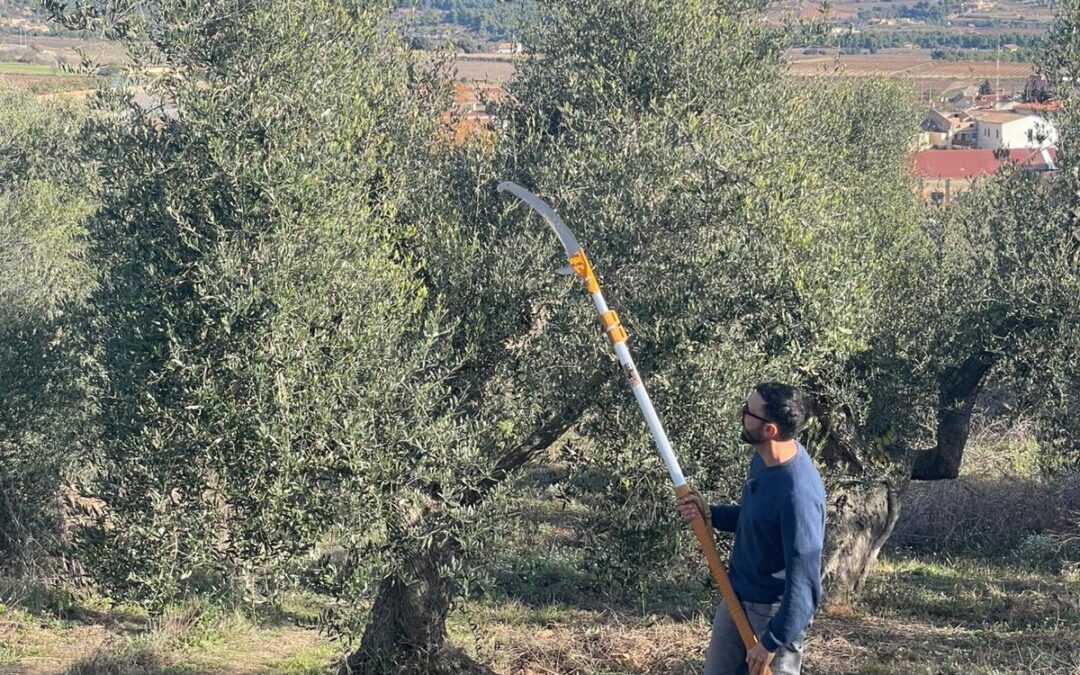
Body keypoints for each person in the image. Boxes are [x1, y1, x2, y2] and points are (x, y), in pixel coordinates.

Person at [677, 382, 825, 675]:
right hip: (737, 598)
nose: (740, 413)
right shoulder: (763, 458)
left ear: (769, 430)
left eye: (748, 411)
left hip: (774, 616)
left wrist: (771, 642)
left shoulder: (798, 495)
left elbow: (805, 586)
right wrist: (709, 515)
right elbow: (756, 520)